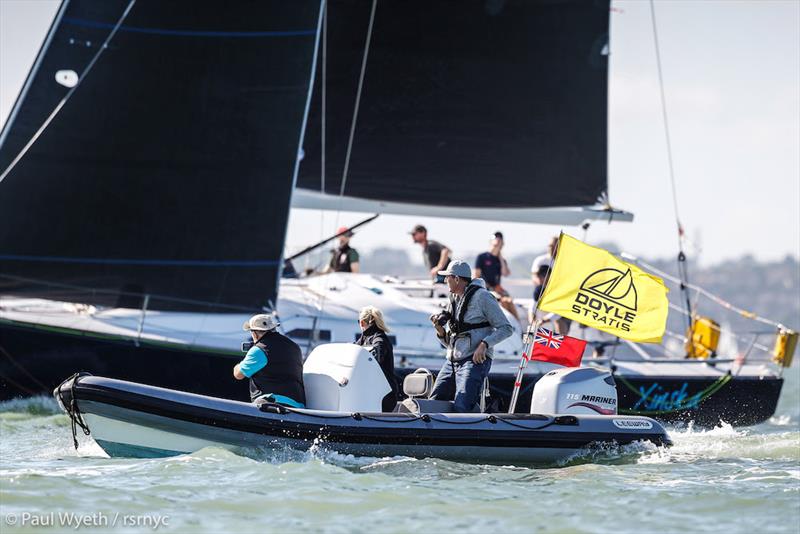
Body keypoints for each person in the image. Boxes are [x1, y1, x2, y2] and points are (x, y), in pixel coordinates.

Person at [429, 260, 513, 412]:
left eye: (447, 277)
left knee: (462, 406)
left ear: (456, 279)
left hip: (473, 361)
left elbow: (506, 328)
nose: (445, 280)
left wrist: (484, 344)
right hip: (453, 360)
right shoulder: (454, 298)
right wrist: (440, 331)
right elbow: (451, 342)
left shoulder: (483, 297)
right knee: (434, 402)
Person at [234, 314, 306, 407]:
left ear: (254, 333)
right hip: (298, 405)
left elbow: (238, 375)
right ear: (274, 328)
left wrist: (241, 363)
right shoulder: (295, 347)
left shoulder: (259, 350)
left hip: (272, 402)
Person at [354, 306, 399, 412]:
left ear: (362, 323)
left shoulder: (379, 339)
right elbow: (354, 350)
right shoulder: (364, 339)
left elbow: (375, 358)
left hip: (383, 394)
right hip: (373, 390)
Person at [529, 236, 571, 334]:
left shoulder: (564, 263)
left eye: (555, 246)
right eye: (550, 246)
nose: (552, 248)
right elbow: (535, 277)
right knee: (532, 313)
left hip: (559, 296)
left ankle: (561, 345)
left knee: (560, 322)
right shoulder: (540, 260)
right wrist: (544, 286)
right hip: (542, 294)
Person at [473, 231, 519, 320]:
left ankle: (518, 327)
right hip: (486, 289)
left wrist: (500, 257)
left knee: (509, 301)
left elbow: (505, 273)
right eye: (495, 238)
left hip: (498, 289)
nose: (497, 241)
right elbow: (476, 275)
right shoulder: (482, 257)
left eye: (500, 240)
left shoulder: (500, 260)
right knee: (504, 301)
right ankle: (507, 324)